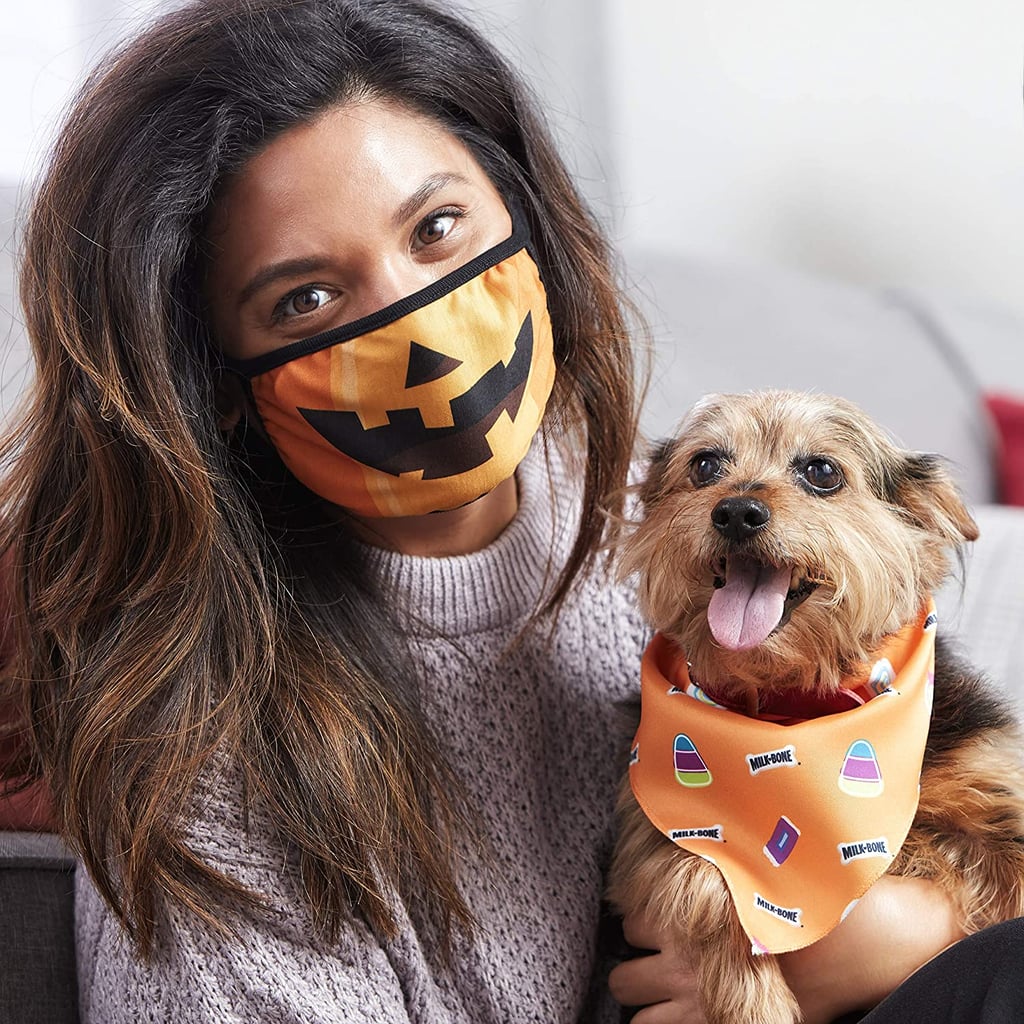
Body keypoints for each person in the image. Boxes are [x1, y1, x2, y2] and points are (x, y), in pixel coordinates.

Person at [0, 0, 1001, 1021]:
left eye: (438, 229)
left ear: (526, 221)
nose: (427, 334)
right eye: (305, 299)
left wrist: (896, 936)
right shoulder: (218, 783)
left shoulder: (688, 553)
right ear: (211, 379)